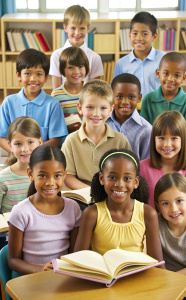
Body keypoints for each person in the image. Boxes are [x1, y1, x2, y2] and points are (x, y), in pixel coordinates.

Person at [74, 149, 164, 264]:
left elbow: (157, 263)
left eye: (127, 178)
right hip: (101, 279)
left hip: (137, 279)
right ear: (102, 179)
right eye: (112, 177)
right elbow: (78, 260)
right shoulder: (92, 214)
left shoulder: (148, 213)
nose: (119, 184)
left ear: (136, 182)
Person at [8, 144, 81, 275]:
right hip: (32, 279)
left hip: (62, 277)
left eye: (57, 176)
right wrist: (41, 270)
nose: (50, 182)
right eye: (42, 175)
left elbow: (74, 253)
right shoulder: (21, 211)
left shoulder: (73, 208)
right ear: (30, 174)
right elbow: (13, 261)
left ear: (64, 175)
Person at [61, 79, 132, 190]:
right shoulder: (71, 141)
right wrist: (93, 194)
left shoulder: (121, 141)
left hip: (112, 195)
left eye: (103, 108)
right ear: (80, 108)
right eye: (90, 107)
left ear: (110, 110)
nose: (96, 113)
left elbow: (128, 174)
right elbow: (68, 176)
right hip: (80, 197)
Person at [0, 49, 68, 153]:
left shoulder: (52, 104)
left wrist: (33, 153)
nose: (33, 78)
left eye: (39, 74)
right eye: (27, 73)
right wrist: (19, 153)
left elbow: (56, 140)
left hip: (43, 158)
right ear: (18, 75)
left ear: (46, 78)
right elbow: (1, 137)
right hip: (16, 158)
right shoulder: (8, 103)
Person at [154, 173, 186, 300]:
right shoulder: (154, 223)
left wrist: (169, 279)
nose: (173, 209)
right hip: (162, 283)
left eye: (179, 201)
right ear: (158, 206)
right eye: (165, 203)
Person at [140, 111, 186, 208]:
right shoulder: (141, 168)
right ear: (153, 139)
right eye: (161, 138)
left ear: (183, 140)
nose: (167, 144)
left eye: (174, 138)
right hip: (146, 222)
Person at [0, 117, 42, 249]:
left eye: (30, 142)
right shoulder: (3, 178)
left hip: (39, 231)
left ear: (40, 142)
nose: (25, 149)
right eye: (18, 144)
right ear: (10, 146)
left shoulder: (45, 174)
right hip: (9, 234)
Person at [140, 52, 186, 141]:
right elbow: (144, 132)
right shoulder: (148, 99)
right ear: (158, 73)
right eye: (166, 73)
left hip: (178, 152)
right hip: (152, 151)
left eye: (177, 75)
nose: (170, 79)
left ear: (183, 78)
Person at [49, 5, 103, 89]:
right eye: (73, 28)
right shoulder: (56, 55)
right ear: (65, 28)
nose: (77, 33)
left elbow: (94, 90)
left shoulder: (95, 58)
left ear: (88, 29)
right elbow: (56, 90)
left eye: (82, 28)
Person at [113, 11, 165, 98]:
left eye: (144, 34)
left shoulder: (164, 59)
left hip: (157, 109)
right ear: (129, 35)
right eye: (135, 33)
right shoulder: (121, 64)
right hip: (130, 109)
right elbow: (115, 91)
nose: (139, 38)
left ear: (154, 37)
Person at [106, 73, 152, 160]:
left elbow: (146, 164)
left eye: (131, 97)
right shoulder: (102, 124)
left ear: (139, 98)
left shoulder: (146, 130)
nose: (125, 102)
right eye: (119, 96)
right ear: (111, 96)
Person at [51, 47, 89, 133]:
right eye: (70, 67)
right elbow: (55, 124)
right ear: (62, 70)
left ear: (86, 68)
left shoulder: (92, 91)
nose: (76, 72)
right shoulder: (57, 95)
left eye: (80, 67)